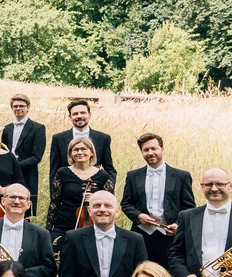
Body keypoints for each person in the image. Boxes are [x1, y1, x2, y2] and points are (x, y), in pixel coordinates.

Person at [121, 134, 196, 268]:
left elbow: (189, 207)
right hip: (141, 236)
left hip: (169, 236)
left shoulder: (181, 176)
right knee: (140, 274)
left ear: (162, 149)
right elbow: (126, 204)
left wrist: (178, 226)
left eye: (154, 149)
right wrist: (138, 216)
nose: (150, 153)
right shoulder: (133, 176)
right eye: (146, 150)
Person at [48, 136, 115, 252]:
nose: (80, 152)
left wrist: (95, 198)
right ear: (70, 154)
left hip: (91, 226)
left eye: (83, 149)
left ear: (92, 152)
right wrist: (49, 229)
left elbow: (110, 202)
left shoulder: (103, 176)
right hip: (63, 224)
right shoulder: (62, 172)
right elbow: (54, 203)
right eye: (76, 149)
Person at [47, 99, 117, 191]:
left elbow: (109, 169)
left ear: (89, 114)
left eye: (83, 113)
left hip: (94, 189)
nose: (79, 116)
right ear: (70, 116)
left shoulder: (103, 138)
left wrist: (107, 190)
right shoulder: (58, 138)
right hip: (68, 191)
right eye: (75, 114)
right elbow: (54, 170)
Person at [2, 94, 46, 215]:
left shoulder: (38, 128)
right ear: (11, 108)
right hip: (8, 173)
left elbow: (36, 157)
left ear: (28, 108)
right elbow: (3, 150)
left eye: (22, 106)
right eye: (15, 106)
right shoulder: (7, 128)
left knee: (23, 206)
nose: (18, 108)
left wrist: (16, 166)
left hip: (26, 174)